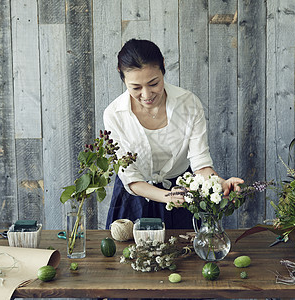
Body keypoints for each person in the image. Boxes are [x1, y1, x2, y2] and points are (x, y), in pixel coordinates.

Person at [104, 39, 243, 229]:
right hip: (133, 201)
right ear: (121, 75)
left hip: (181, 197)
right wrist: (168, 197)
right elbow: (131, 178)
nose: (146, 95)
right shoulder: (114, 114)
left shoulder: (188, 104)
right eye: (136, 88)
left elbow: (201, 165)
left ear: (163, 67)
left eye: (153, 83)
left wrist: (220, 183)